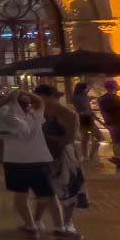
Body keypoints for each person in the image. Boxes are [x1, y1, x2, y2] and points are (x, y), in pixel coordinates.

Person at [0, 87, 78, 239]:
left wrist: (6, 100)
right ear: (28, 105)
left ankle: (31, 226)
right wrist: (22, 91)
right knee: (49, 195)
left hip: (14, 161)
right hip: (39, 160)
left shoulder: (6, 119)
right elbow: (39, 101)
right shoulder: (35, 116)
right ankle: (59, 228)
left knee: (21, 195)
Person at [35, 84, 86, 230]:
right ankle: (37, 220)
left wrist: (45, 137)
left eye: (41, 98)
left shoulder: (67, 114)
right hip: (44, 155)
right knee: (44, 190)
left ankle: (67, 223)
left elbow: (69, 139)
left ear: (51, 97)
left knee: (69, 189)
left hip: (65, 155)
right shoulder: (37, 111)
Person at [71, 81, 97, 162]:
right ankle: (89, 156)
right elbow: (84, 106)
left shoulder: (77, 96)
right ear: (83, 89)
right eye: (87, 88)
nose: (88, 89)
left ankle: (87, 156)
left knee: (86, 138)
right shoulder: (82, 97)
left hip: (84, 117)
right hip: (85, 117)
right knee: (93, 137)